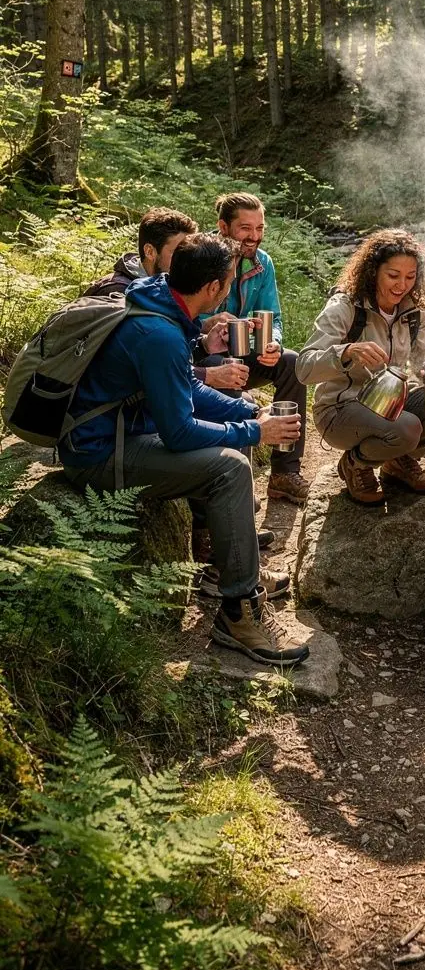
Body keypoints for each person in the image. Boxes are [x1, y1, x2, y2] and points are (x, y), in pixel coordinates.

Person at [59, 232, 310, 668]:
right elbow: (179, 433)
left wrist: (248, 411)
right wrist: (254, 430)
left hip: (125, 433)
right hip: (99, 454)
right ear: (213, 287)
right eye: (228, 282)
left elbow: (186, 386)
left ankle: (227, 569)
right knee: (230, 467)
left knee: (236, 433)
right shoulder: (158, 333)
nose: (229, 290)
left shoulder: (161, 302)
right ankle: (238, 613)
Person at [296, 229, 425, 506]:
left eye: (410, 277)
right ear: (373, 271)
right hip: (340, 410)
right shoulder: (345, 307)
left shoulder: (415, 311)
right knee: (407, 427)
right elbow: (304, 368)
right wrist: (346, 352)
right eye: (393, 275)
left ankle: (399, 461)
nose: (402, 285)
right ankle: (356, 464)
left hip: (390, 402)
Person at [198, 192, 309, 506]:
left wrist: (273, 342)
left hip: (246, 349)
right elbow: (180, 313)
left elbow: (274, 317)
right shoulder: (201, 257)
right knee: (226, 371)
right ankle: (236, 482)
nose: (254, 236)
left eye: (259, 228)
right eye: (245, 228)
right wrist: (206, 324)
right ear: (223, 226)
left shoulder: (263, 263)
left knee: (292, 364)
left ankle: (285, 472)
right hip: (203, 353)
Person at [83, 207, 248, 396]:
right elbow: (141, 368)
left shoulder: (158, 291)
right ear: (150, 251)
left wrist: (203, 345)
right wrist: (207, 375)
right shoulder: (121, 294)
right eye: (179, 253)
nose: (188, 261)